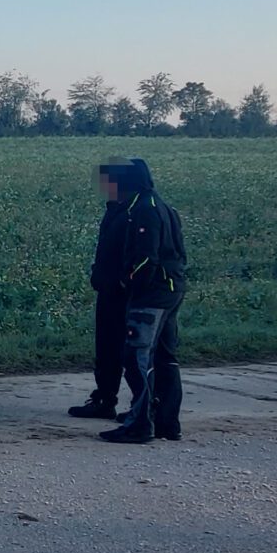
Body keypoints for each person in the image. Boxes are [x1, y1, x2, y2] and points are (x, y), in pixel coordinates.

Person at [98, 158, 186, 445]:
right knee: (164, 357)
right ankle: (167, 421)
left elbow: (146, 258)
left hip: (151, 294)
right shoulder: (164, 206)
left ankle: (140, 423)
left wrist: (127, 283)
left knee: (136, 357)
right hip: (171, 289)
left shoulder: (143, 210)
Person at [68, 164, 132, 423]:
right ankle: (105, 398)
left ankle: (140, 403)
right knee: (106, 347)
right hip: (108, 289)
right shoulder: (114, 211)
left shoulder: (133, 213)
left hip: (123, 291)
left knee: (130, 350)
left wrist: (122, 282)